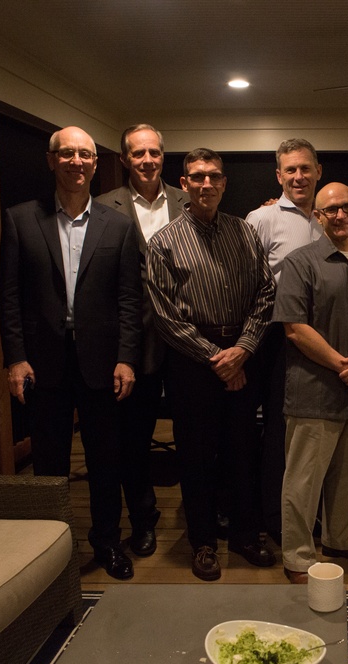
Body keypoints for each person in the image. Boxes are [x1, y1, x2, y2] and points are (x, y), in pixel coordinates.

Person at [0, 126, 142, 580]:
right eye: (67, 154)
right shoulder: (20, 219)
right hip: (43, 365)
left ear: (96, 165)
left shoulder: (117, 225)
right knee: (50, 465)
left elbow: (129, 299)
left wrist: (126, 357)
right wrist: (15, 357)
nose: (76, 162)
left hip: (102, 364)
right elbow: (9, 297)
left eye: (85, 155)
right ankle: (54, 550)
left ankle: (106, 543)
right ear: (51, 160)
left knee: (105, 461)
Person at [146, 148, 277, 581]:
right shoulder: (163, 242)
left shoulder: (245, 233)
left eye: (215, 177)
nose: (207, 184)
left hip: (243, 353)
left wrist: (242, 349)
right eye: (198, 177)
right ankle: (202, 541)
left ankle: (244, 533)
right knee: (197, 455)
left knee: (243, 450)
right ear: (183, 183)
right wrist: (215, 358)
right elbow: (163, 314)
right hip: (191, 362)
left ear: (224, 183)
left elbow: (265, 293)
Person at [273, 183, 348, 584]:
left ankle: (342, 540)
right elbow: (294, 328)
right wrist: (345, 365)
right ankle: (299, 558)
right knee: (303, 480)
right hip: (314, 391)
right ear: (318, 218)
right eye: (329, 211)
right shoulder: (300, 262)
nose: (339, 216)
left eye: (346, 207)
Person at [95, 123, 188, 558]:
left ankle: (201, 516)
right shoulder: (101, 208)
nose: (147, 160)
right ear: (124, 159)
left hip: (189, 339)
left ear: (163, 156)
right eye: (138, 154)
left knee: (197, 435)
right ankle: (143, 520)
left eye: (154, 152)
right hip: (135, 340)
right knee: (134, 440)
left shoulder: (191, 201)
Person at [246, 138, 325, 544]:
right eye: (290, 170)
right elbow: (244, 282)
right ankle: (268, 518)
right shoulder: (262, 219)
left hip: (317, 337)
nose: (298, 176)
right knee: (274, 429)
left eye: (305, 168)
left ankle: (297, 516)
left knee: (301, 431)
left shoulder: (330, 216)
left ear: (317, 172)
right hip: (272, 337)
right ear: (279, 176)